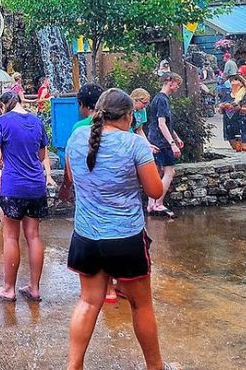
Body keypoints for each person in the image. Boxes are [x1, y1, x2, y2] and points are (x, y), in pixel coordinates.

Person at [62, 89, 173, 370]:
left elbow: (74, 178)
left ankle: (73, 366)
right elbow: (155, 190)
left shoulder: (76, 138)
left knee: (88, 302)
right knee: (141, 305)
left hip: (86, 236)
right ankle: (156, 367)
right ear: (128, 116)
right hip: (124, 237)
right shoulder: (134, 144)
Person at [0, 91, 50, 303]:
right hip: (36, 186)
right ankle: (35, 288)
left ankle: (8, 288)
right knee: (34, 236)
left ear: (3, 106)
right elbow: (41, 156)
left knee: (11, 236)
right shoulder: (37, 121)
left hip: (14, 186)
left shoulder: (2, 122)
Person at [144, 73, 183, 219]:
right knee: (169, 172)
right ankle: (158, 203)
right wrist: (172, 144)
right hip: (161, 142)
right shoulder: (162, 100)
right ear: (170, 82)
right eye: (177, 84)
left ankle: (151, 204)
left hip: (157, 139)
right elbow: (161, 124)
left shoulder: (159, 99)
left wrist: (176, 137)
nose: (178, 87)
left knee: (157, 172)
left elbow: (166, 123)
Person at [219, 75, 246, 152]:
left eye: (236, 80)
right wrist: (222, 107)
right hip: (229, 123)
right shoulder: (226, 95)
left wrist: (240, 109)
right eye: (232, 80)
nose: (233, 81)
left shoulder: (245, 96)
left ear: (241, 83)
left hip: (242, 123)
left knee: (244, 147)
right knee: (234, 146)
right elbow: (220, 111)